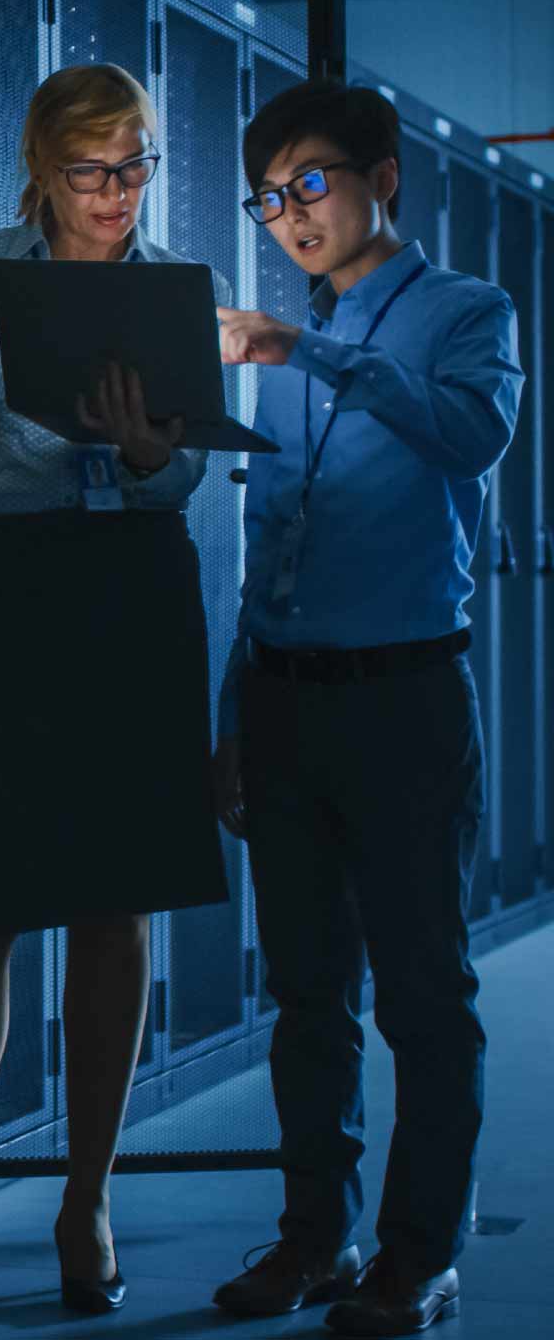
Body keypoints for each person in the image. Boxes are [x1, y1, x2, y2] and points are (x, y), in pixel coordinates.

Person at [0, 63, 231, 1314]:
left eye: (133, 167)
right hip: (0, 585)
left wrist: (146, 455)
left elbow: (183, 480)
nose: (114, 196)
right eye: (90, 173)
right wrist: (12, 357)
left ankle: (88, 1196)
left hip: (129, 581)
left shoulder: (184, 288)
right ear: (39, 169)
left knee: (115, 902)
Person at [210, 80, 522, 1335]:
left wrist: (311, 351)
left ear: (382, 176)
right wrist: (234, 710)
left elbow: (470, 437)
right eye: (271, 195)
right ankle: (309, 1240)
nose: (289, 215)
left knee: (422, 998)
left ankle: (417, 1254)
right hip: (284, 705)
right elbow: (268, 543)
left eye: (312, 183)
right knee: (305, 996)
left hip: (402, 702)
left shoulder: (465, 310)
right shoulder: (275, 351)